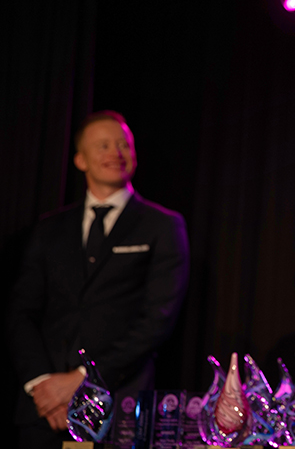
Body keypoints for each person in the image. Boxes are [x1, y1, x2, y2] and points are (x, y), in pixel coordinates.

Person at [8, 111, 190, 449]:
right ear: (80, 159)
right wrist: (43, 384)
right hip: (44, 410)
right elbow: (22, 312)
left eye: (124, 145)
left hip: (118, 407)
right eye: (103, 145)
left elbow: (156, 320)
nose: (115, 153)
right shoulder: (49, 228)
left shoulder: (162, 226)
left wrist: (81, 380)